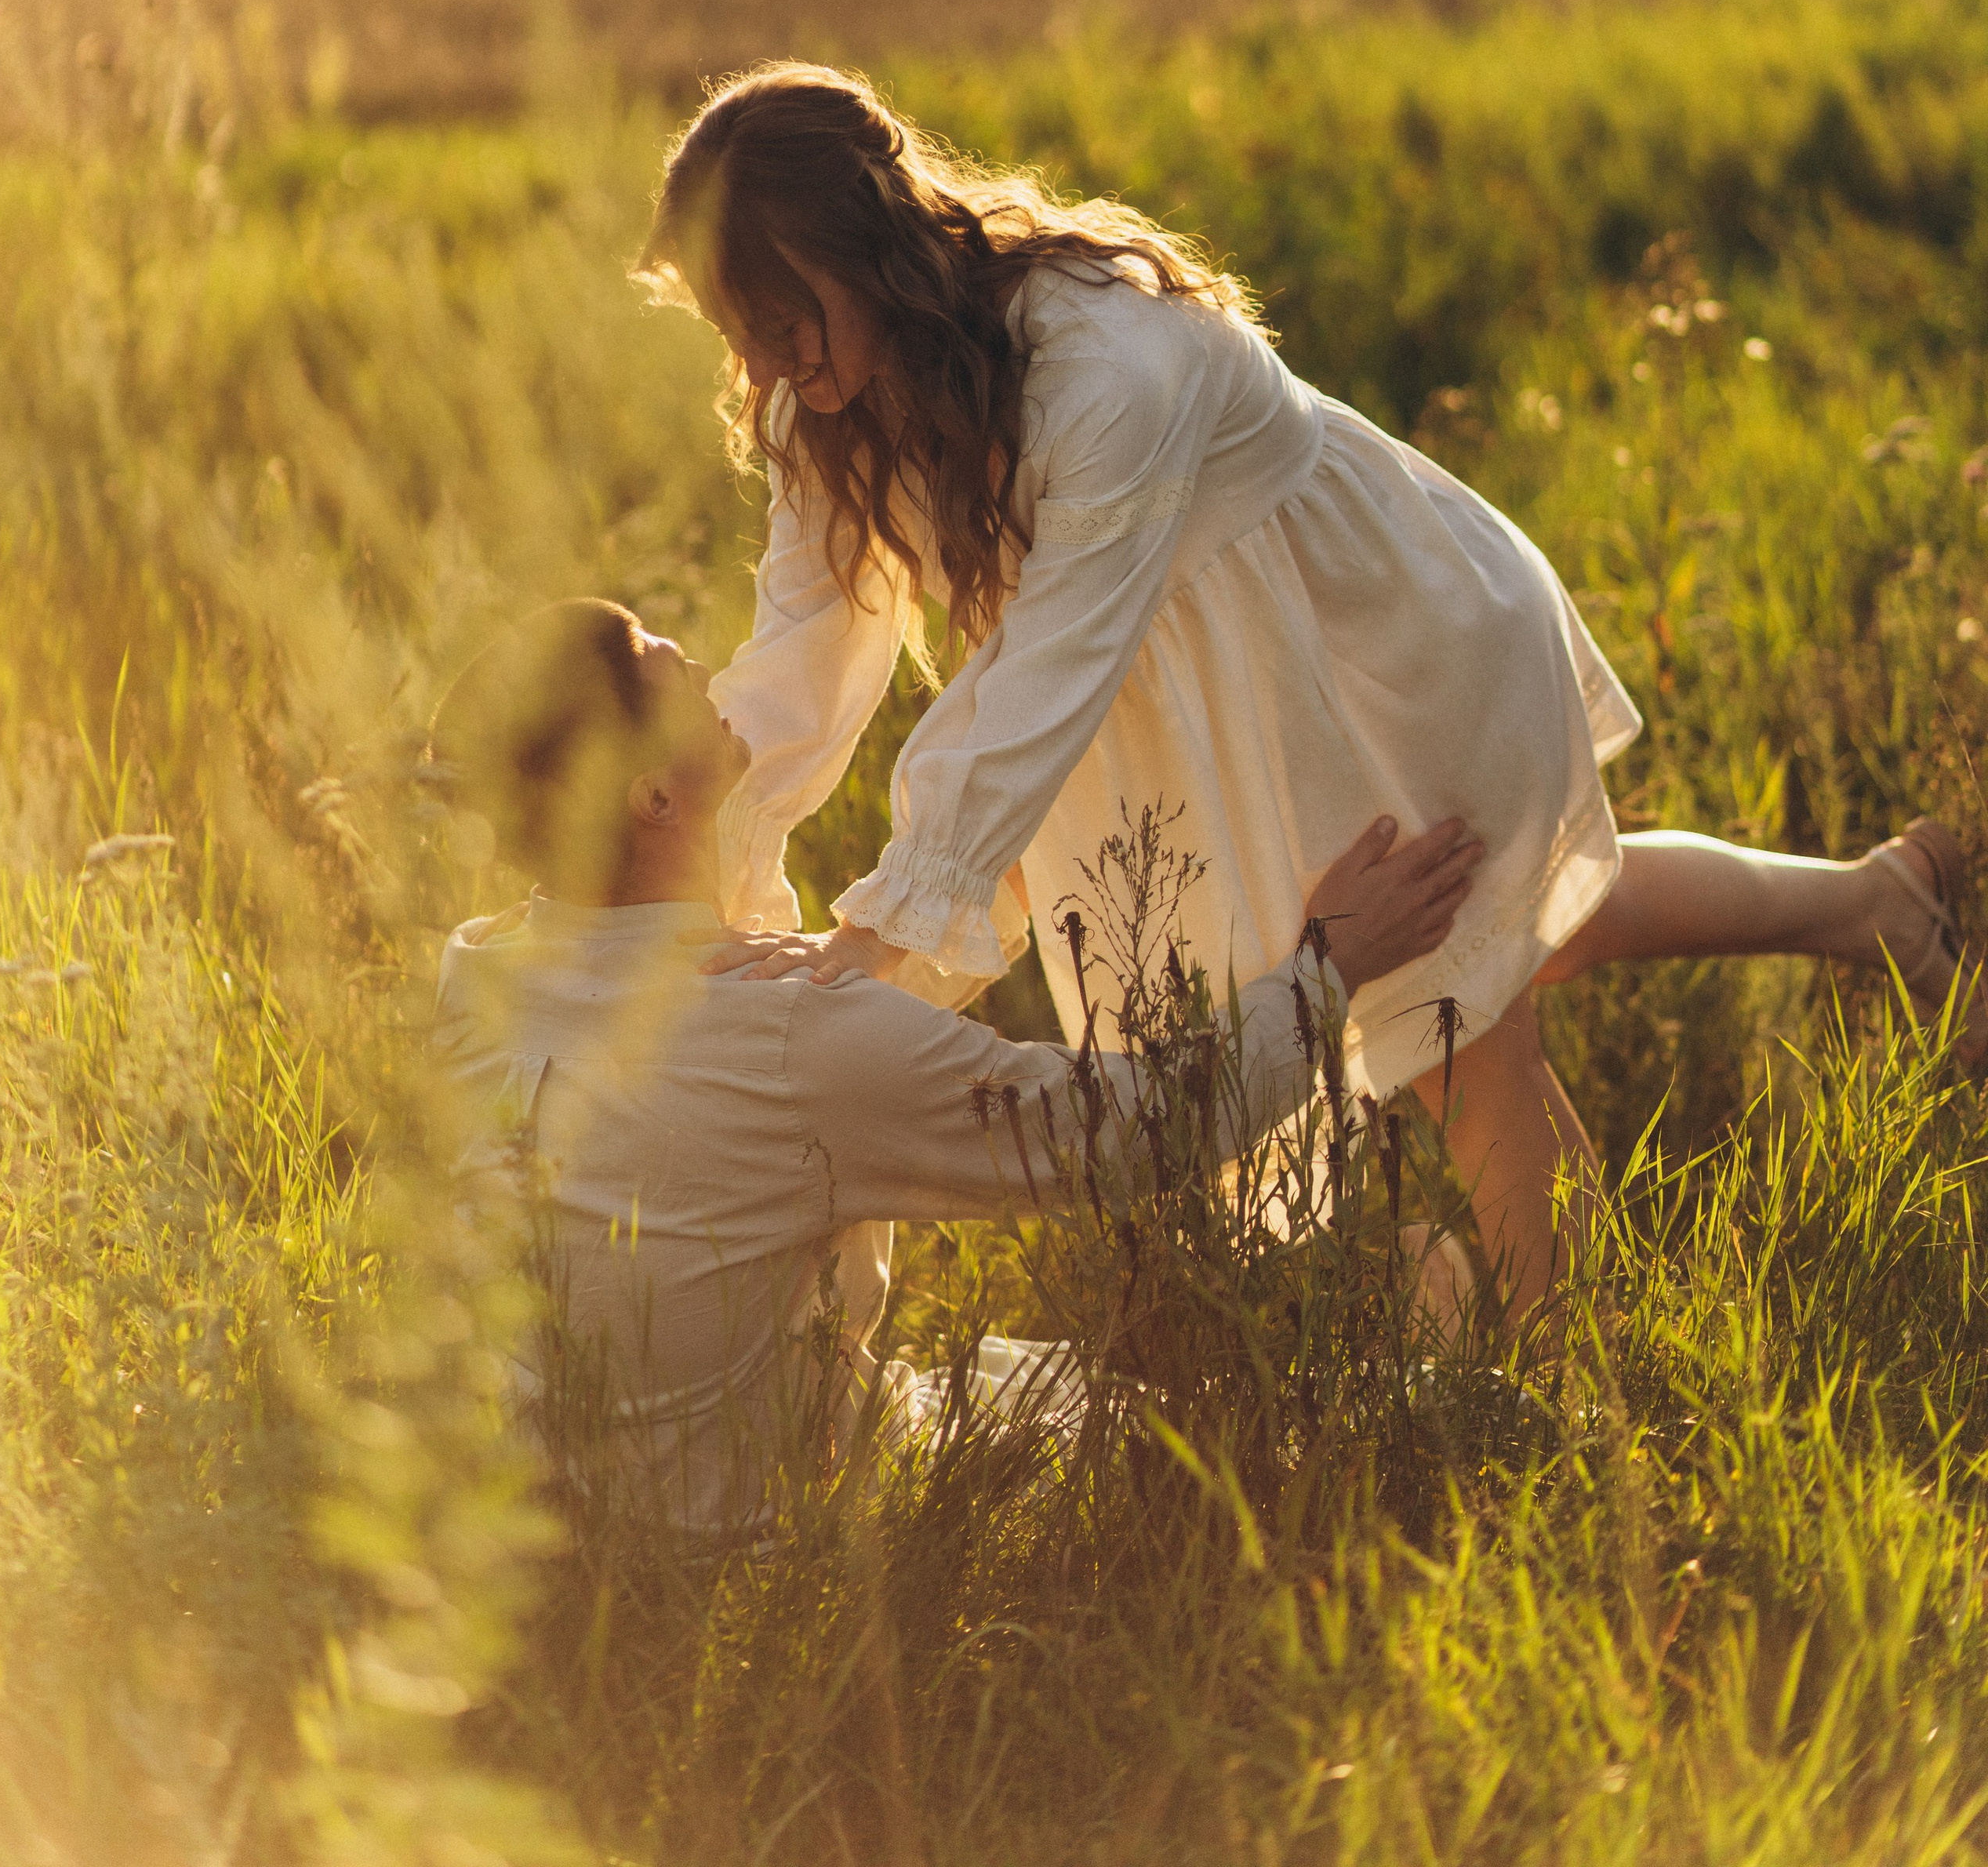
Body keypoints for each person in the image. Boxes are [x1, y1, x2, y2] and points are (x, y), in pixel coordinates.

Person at [638, 64, 1982, 1317]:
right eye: (733, 336)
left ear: (862, 241)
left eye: (775, 319)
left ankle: (1594, 1409)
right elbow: (798, 667)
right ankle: (1878, 901)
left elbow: (1043, 674)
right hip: (1193, 713)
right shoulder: (823, 412)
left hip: (1368, 653)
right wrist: (699, 894)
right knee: (1527, 924)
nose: (760, 366)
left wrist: (869, 946)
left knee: (1458, 1018)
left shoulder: (1109, 364)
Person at [427, 598, 1485, 1532]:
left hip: (555, 1513)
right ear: (653, 799)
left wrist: (974, 901)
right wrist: (1326, 970)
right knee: (1219, 1426)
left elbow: (778, 1071)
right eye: (663, 664)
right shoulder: (785, 1037)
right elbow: (1126, 1134)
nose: (698, 666)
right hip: (774, 1515)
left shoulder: (476, 977)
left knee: (1061, 1381)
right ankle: (1479, 1397)